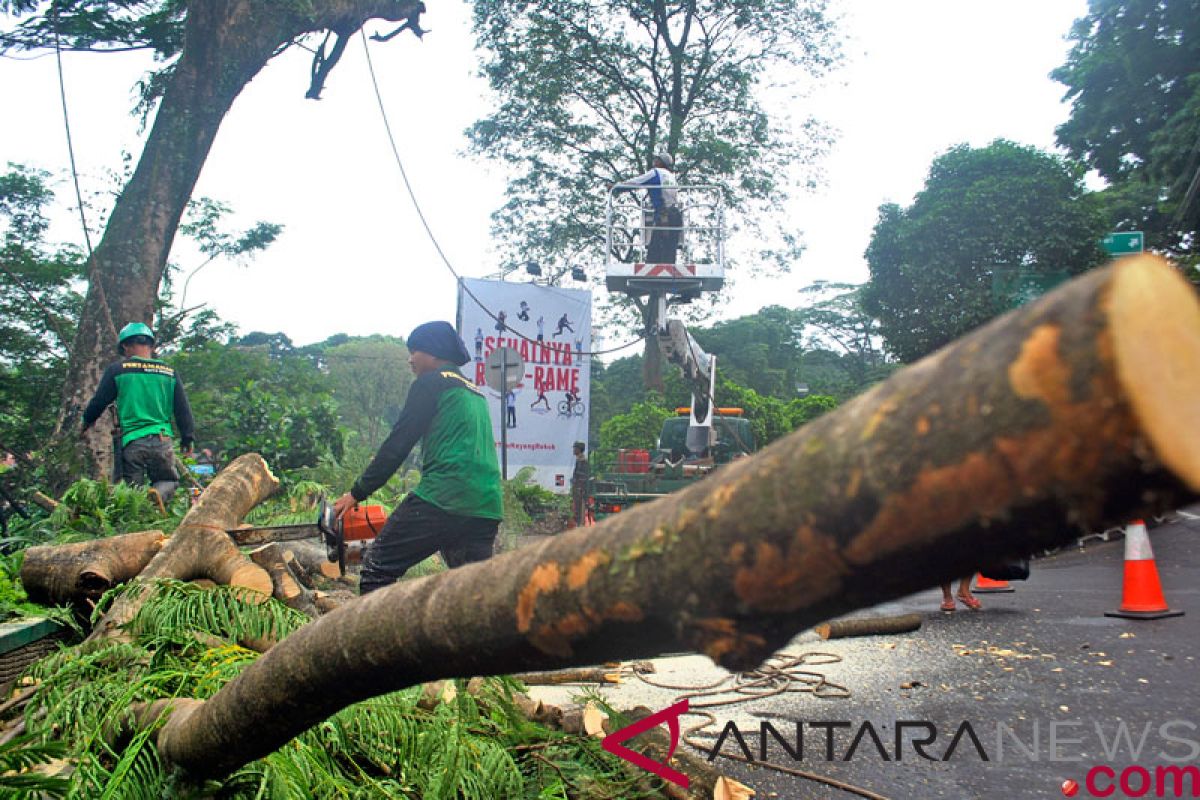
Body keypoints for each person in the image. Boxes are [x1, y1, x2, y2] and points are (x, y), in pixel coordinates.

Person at [334, 321, 503, 595]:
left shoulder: (430, 384)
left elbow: (397, 445)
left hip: (443, 497)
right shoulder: (474, 391)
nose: (410, 359)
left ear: (433, 353)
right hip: (486, 505)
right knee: (475, 594)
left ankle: (378, 639)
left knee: (377, 570)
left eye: (415, 351)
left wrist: (356, 493)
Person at [81, 322, 194, 505]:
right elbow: (182, 408)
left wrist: (86, 422)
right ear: (151, 345)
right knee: (168, 480)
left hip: (133, 441)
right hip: (162, 440)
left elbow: (99, 402)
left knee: (131, 492)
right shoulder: (169, 373)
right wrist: (187, 438)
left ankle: (138, 520)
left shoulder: (118, 370)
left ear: (125, 345)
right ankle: (157, 496)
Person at [613, 153, 682, 264]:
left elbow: (636, 182)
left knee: (654, 253)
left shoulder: (655, 173)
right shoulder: (671, 177)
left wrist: (617, 187)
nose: (654, 161)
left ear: (660, 162)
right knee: (669, 254)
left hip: (664, 216)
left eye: (656, 159)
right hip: (675, 216)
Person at [570, 441, 589, 527]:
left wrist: (579, 486)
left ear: (579, 449)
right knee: (576, 507)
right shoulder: (579, 460)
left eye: (575, 448)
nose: (573, 450)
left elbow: (583, 475)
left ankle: (579, 525)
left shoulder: (583, 461)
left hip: (580, 489)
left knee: (579, 507)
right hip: (577, 487)